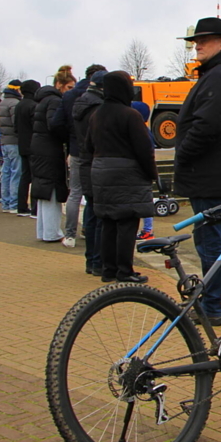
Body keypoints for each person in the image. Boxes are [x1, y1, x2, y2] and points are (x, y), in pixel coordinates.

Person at [174, 17, 221, 327]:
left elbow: (207, 125)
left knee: (211, 243)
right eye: (195, 41)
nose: (198, 46)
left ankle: (212, 306)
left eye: (205, 40)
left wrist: (182, 155)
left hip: (209, 176)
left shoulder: (219, 76)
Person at [87, 71, 155, 283]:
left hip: (101, 171)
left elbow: (88, 146)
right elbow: (144, 149)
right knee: (127, 222)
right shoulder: (130, 115)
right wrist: (152, 174)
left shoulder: (96, 115)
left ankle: (108, 270)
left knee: (108, 221)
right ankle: (125, 271)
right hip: (126, 174)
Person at [60, 64, 106, 248]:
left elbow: (57, 122)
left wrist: (71, 140)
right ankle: (90, 230)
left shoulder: (70, 95)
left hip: (76, 149)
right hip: (97, 152)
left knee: (76, 192)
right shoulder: (102, 99)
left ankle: (70, 234)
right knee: (95, 195)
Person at [32, 66, 76, 242]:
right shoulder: (55, 101)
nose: (70, 92)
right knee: (52, 189)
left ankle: (44, 231)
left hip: (40, 148)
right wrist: (68, 136)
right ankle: (52, 232)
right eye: (69, 88)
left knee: (44, 189)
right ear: (60, 84)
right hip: (50, 149)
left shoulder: (43, 100)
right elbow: (55, 125)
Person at [73, 70, 107, 275]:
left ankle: (91, 261)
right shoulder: (99, 107)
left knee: (91, 212)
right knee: (100, 214)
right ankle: (98, 261)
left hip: (84, 159)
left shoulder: (79, 103)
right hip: (97, 161)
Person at [130, 88, 155, 242]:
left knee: (143, 201)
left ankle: (147, 229)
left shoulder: (142, 132)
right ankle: (147, 228)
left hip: (140, 172)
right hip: (142, 171)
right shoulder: (145, 131)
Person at [14, 80, 41, 217]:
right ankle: (35, 209)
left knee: (24, 177)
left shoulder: (19, 105)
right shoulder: (34, 106)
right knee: (36, 176)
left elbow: (16, 128)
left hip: (22, 145)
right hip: (34, 145)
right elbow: (36, 126)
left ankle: (21, 207)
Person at [0, 80, 23, 212]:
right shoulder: (15, 103)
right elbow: (16, 123)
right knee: (16, 173)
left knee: (6, 172)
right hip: (14, 141)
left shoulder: (3, 103)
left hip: (4, 141)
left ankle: (5, 203)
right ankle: (14, 204)